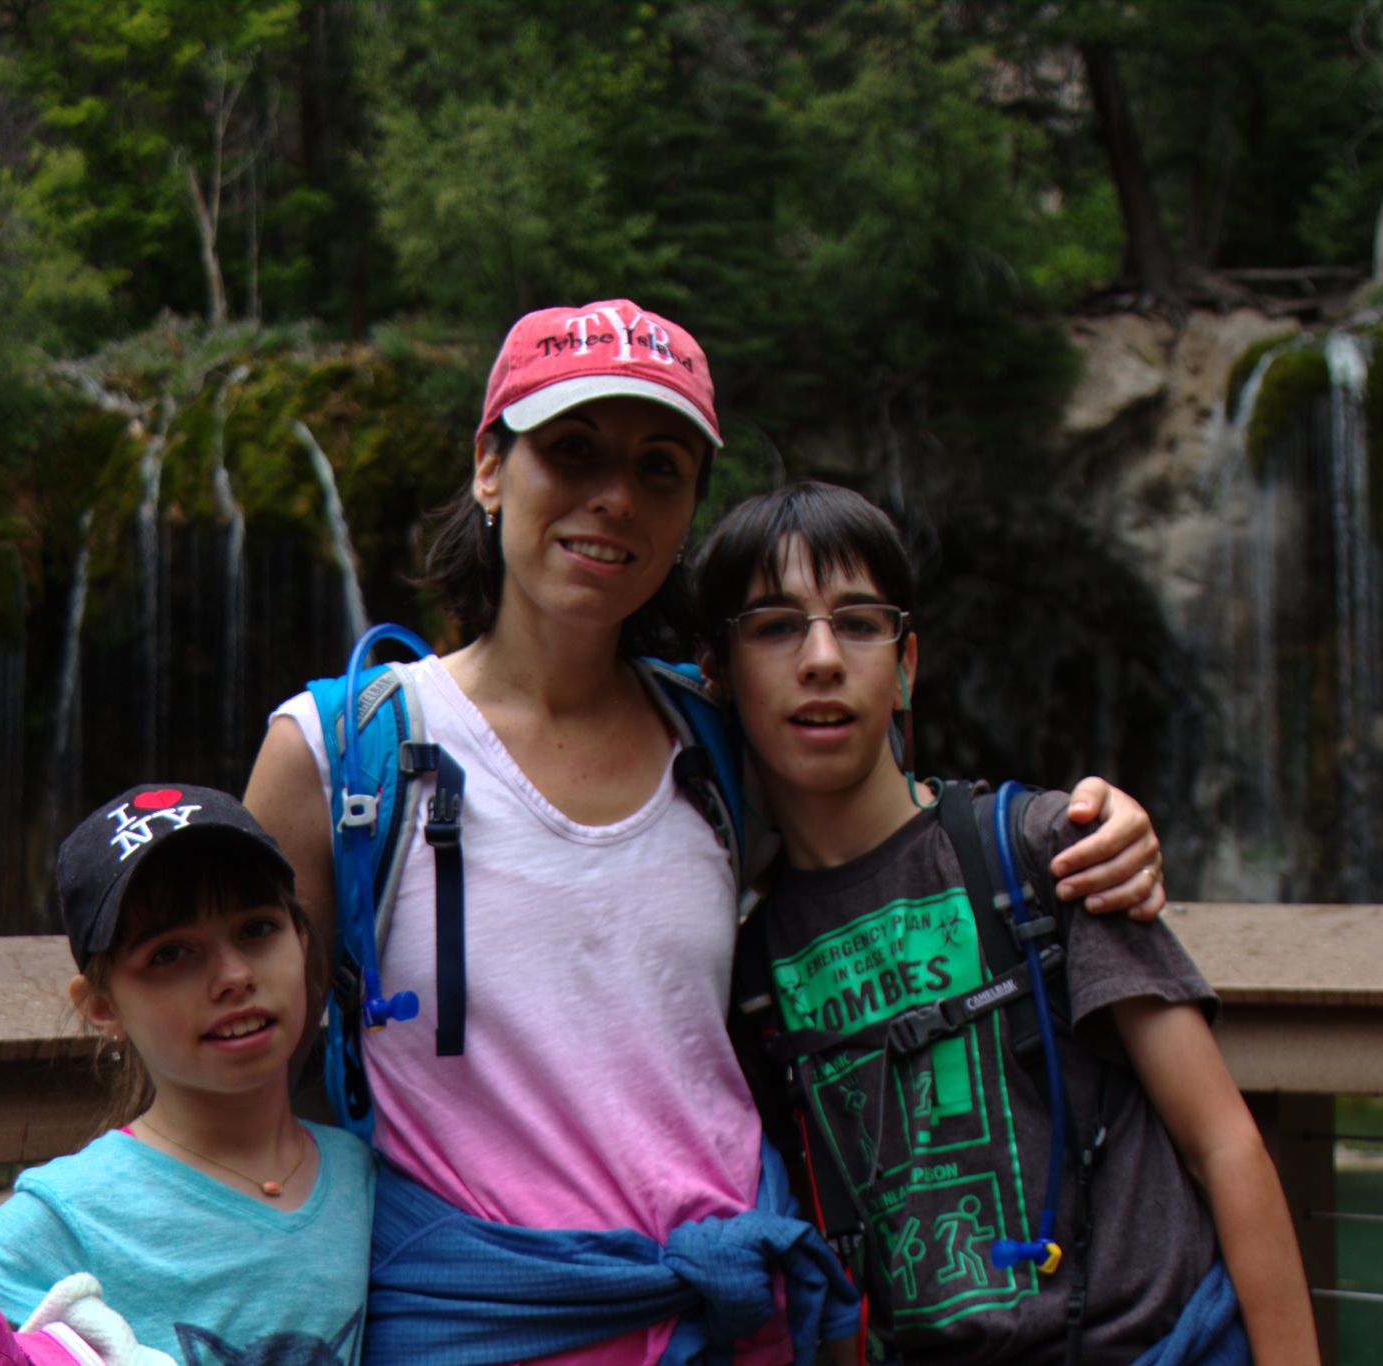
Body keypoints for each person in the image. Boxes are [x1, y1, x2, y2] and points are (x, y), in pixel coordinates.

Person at [239, 297, 1170, 1364]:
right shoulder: (334, 754)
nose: (613, 499)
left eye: (659, 469)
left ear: (687, 511)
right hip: (482, 1321)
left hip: (733, 1319)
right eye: (572, 451)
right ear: (489, 467)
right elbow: (237, 1071)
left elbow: (894, 818)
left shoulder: (720, 737)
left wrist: (1095, 820)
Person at [693, 481, 1322, 1364]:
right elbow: (827, 1264)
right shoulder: (751, 975)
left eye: (860, 622)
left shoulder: (1040, 851)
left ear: (907, 663)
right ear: (715, 673)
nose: (823, 658)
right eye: (774, 626)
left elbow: (1223, 1143)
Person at [0, 783, 374, 1365]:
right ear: (103, 1007)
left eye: (257, 929)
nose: (234, 975)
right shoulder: (64, 1217)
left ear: (302, 940)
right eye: (170, 953)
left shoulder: (363, 1177)